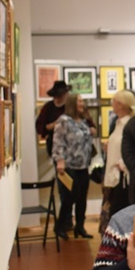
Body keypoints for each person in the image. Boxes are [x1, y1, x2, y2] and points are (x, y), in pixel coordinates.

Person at [52, 93, 97, 240]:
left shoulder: (83, 121)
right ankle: (60, 225)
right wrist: (60, 161)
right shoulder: (64, 121)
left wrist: (91, 130)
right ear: (72, 103)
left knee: (82, 197)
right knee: (71, 195)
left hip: (83, 165)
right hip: (68, 165)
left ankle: (80, 226)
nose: (82, 104)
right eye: (80, 101)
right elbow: (58, 141)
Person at [99, 90, 135, 235]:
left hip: (123, 176)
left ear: (120, 104)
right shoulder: (117, 123)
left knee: (120, 211)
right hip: (115, 175)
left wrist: (123, 164)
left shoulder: (130, 124)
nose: (112, 104)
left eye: (114, 101)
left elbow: (133, 148)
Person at [35, 80, 70, 156]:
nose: (57, 98)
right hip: (55, 147)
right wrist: (51, 126)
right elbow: (39, 126)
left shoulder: (71, 106)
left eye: (59, 96)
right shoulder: (48, 107)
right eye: (55, 96)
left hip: (72, 147)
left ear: (65, 95)